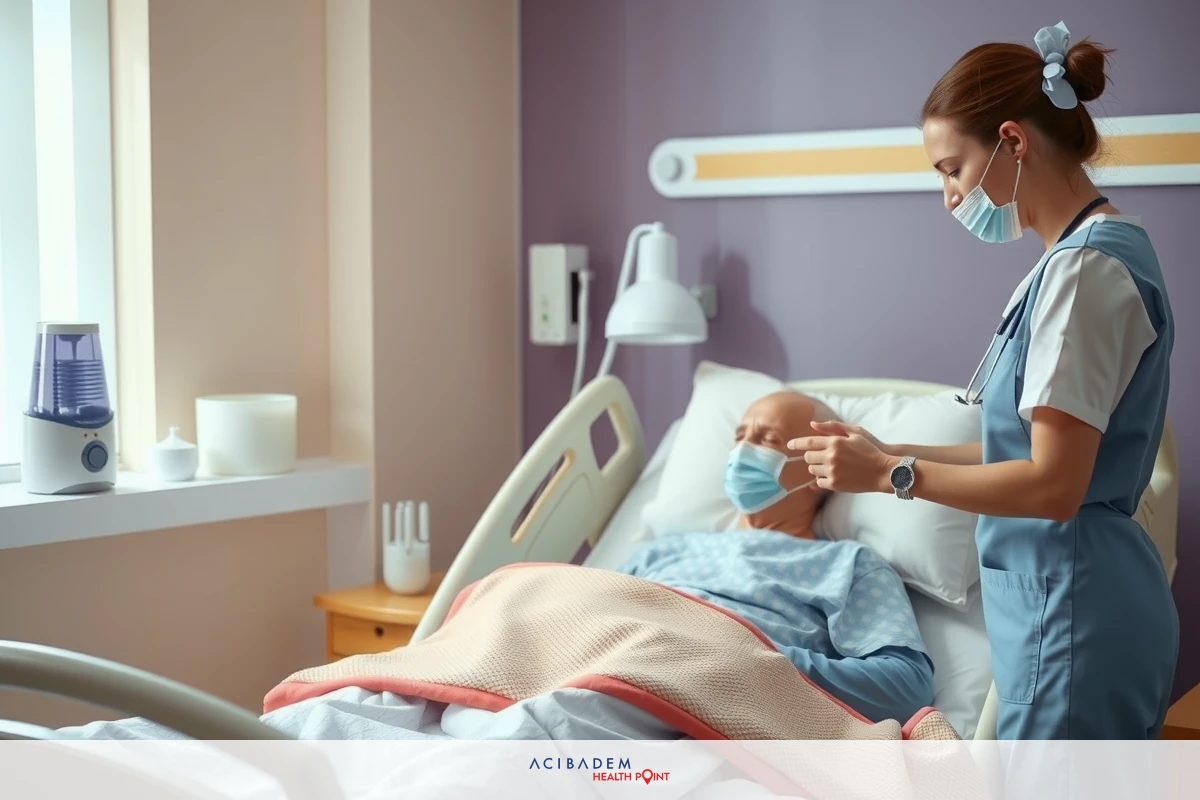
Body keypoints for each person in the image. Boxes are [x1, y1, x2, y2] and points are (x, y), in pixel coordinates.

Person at [786, 22, 1177, 740]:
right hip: (1060, 613)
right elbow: (1019, 450)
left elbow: (1053, 485)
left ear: (1013, 142)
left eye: (951, 169)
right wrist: (890, 448)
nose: (948, 197)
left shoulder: (1084, 274)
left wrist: (892, 476)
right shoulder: (1074, 263)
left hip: (1074, 621)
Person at [621, 390, 937, 725]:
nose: (742, 452)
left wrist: (752, 659)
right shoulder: (660, 551)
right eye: (740, 437)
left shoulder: (846, 565)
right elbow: (584, 611)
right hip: (608, 675)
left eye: (768, 440)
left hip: (700, 713)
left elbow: (905, 688)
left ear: (821, 468)